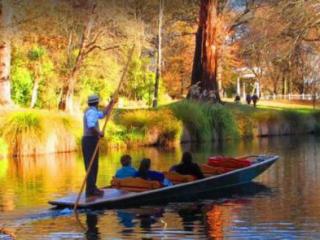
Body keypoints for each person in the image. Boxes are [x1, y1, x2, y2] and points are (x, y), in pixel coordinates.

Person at [82, 94, 117, 198]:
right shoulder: (91, 112)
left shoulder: (93, 111)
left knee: (94, 166)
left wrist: (111, 104)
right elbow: (91, 125)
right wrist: (99, 133)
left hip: (90, 140)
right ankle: (91, 190)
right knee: (91, 166)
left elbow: (103, 114)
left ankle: (92, 189)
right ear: (97, 103)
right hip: (89, 141)